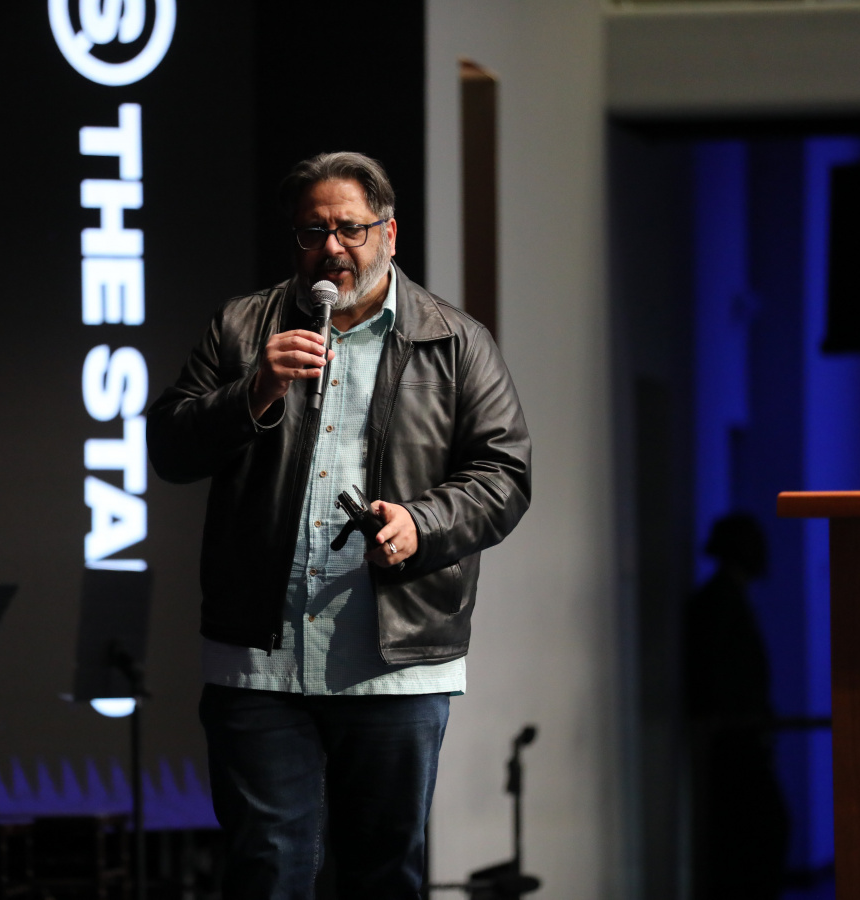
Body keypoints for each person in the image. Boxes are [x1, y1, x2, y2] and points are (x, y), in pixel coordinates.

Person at [146, 152, 531, 899]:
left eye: (350, 229)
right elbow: (169, 447)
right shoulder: (241, 328)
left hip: (394, 656)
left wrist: (422, 523)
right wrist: (253, 391)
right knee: (267, 869)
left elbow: (504, 474)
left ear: (389, 232)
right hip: (260, 655)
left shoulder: (455, 341)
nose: (332, 248)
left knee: (382, 874)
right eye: (312, 231)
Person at [684, 513, 789, 900]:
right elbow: (718, 676)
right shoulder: (719, 602)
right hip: (733, 741)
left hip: (738, 738)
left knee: (755, 838)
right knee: (754, 838)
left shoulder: (723, 600)